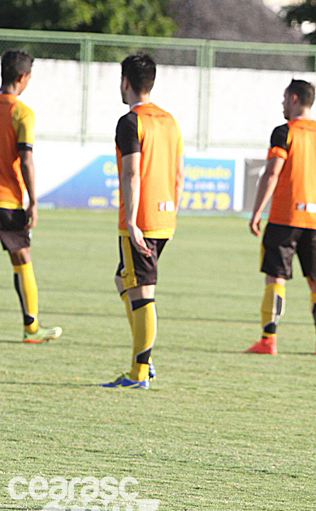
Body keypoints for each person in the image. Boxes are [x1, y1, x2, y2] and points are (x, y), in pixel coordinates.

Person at [102, 53, 184, 390]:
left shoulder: (130, 121)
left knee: (142, 291)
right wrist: (173, 211)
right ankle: (143, 357)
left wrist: (133, 222)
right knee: (125, 282)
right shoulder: (169, 121)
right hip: (164, 216)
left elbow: (132, 172)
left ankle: (140, 371)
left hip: (141, 220)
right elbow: (179, 174)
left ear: (126, 82)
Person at [246, 79, 316, 358]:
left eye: (285, 98)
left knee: (276, 278)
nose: (282, 103)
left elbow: (273, 173)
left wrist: (257, 210)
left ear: (295, 99)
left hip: (285, 217)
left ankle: (268, 340)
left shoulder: (284, 132)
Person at [0, 50, 62, 344]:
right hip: (7, 200)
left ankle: (31, 328)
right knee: (22, 259)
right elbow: (26, 160)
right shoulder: (22, 113)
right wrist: (34, 201)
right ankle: (31, 327)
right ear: (22, 78)